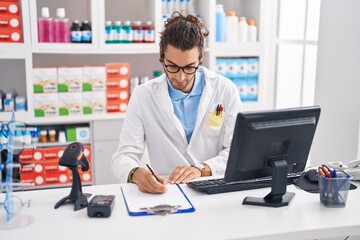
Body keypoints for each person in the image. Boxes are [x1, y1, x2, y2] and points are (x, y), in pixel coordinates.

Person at [111, 12, 242, 194]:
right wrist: (136, 174)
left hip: (212, 186)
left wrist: (201, 169)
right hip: (167, 189)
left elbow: (236, 152)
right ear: (162, 56)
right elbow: (123, 156)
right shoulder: (143, 95)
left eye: (189, 67)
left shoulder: (225, 90)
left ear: (200, 58)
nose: (180, 77)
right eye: (172, 66)